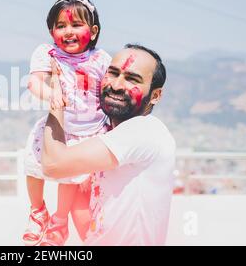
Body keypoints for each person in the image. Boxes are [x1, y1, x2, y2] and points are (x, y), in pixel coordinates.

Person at [41, 44, 176, 245]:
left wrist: (57, 97)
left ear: (155, 95)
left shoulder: (144, 129)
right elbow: (91, 229)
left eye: (132, 79)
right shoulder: (110, 139)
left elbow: (53, 164)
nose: (116, 85)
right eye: (112, 73)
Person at [23, 0, 112, 246]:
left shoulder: (101, 59)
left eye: (76, 24)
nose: (68, 31)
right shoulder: (48, 53)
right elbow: (34, 81)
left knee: (70, 178)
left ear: (93, 31)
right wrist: (50, 93)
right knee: (32, 166)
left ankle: (60, 222)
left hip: (89, 131)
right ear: (51, 31)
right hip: (57, 127)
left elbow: (110, 92)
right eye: (60, 26)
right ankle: (38, 210)